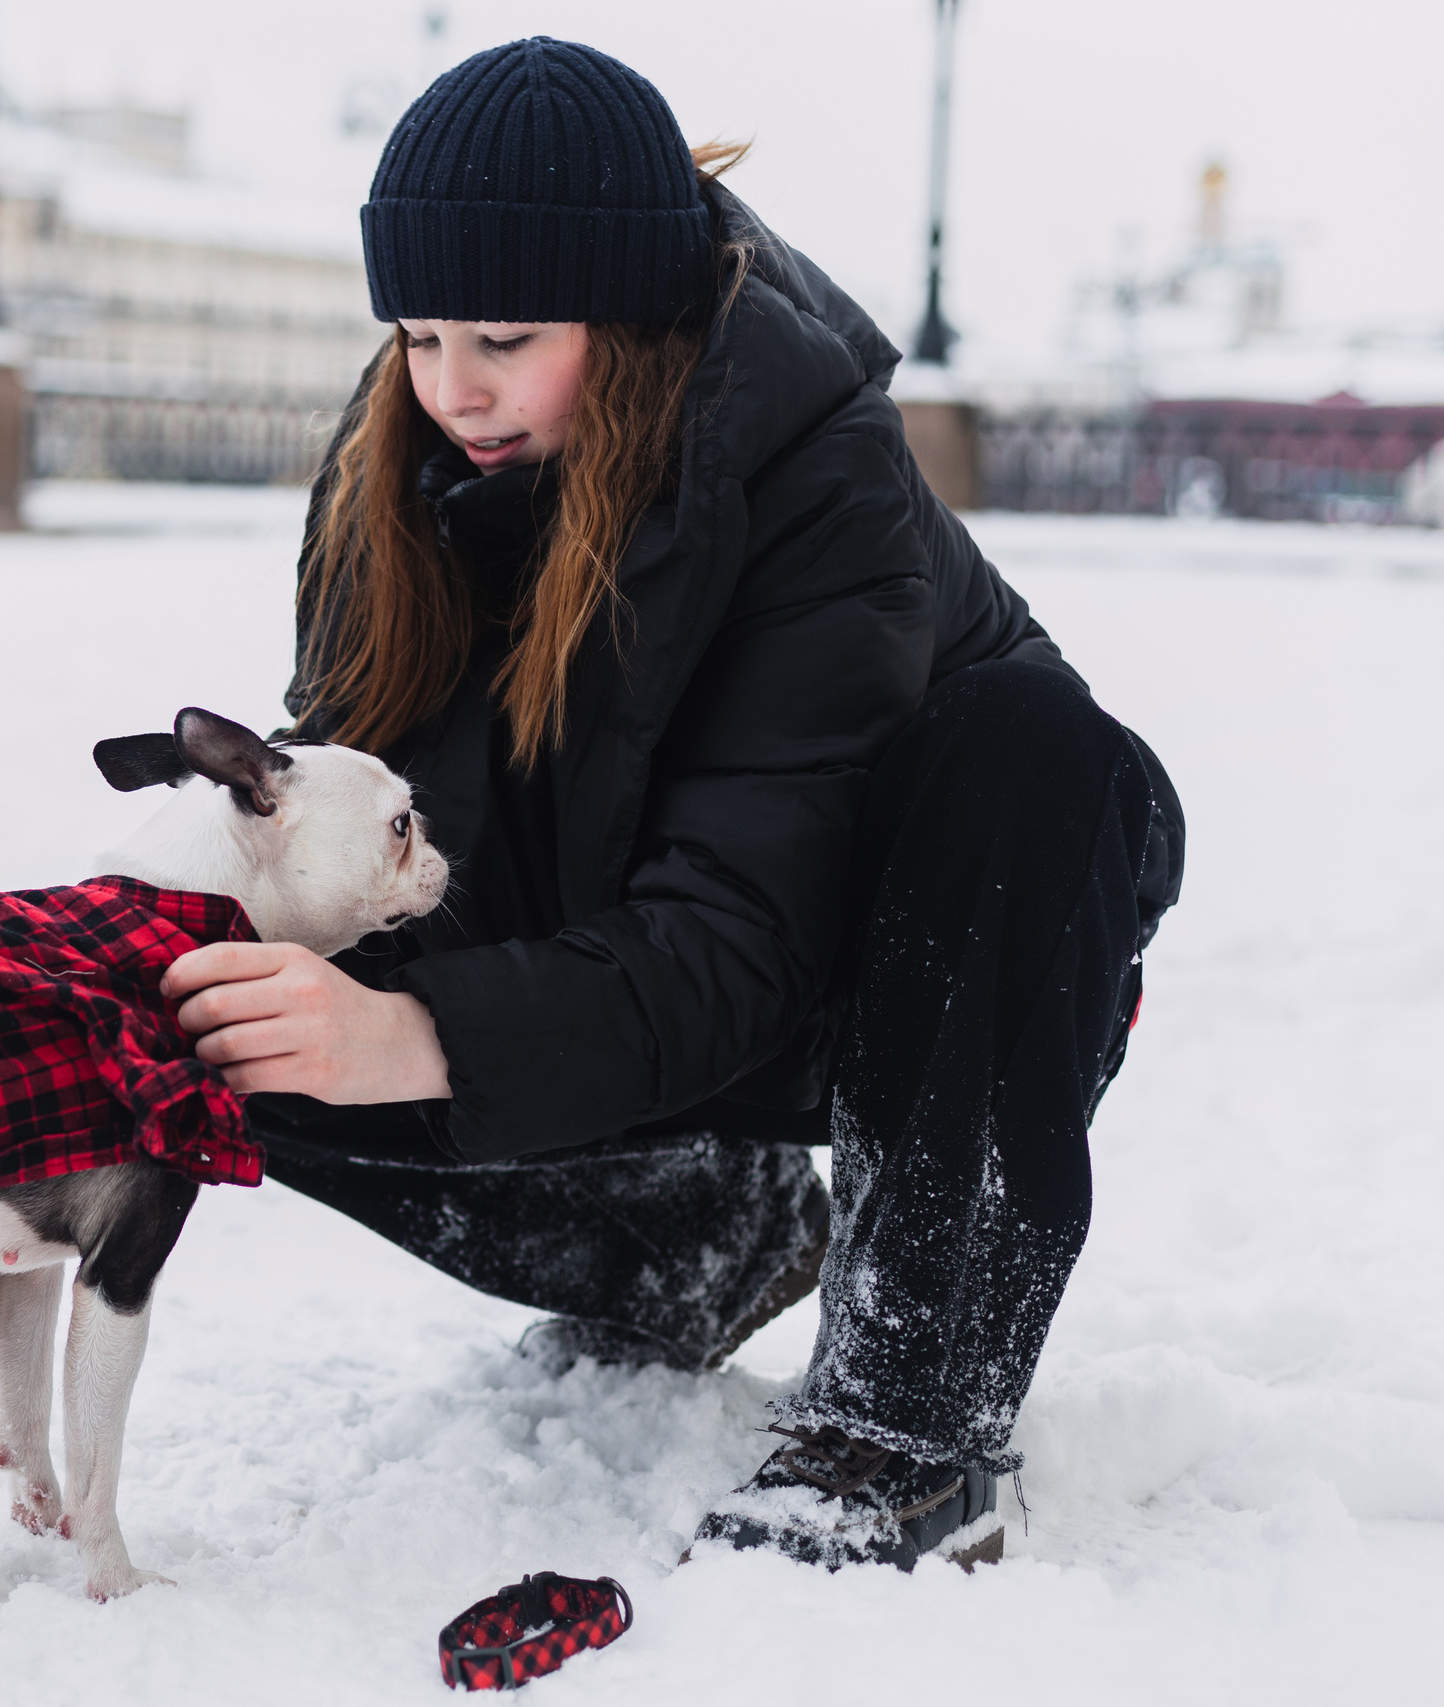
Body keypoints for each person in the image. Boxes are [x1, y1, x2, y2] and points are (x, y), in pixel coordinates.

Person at [159, 37, 1184, 1571]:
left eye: (506, 336)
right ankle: (695, 1240)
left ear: (632, 315)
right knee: (208, 1008)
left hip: (911, 976)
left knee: (1033, 744)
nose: (452, 387)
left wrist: (415, 1037)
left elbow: (748, 930)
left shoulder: (818, 473)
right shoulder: (400, 468)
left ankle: (906, 1422)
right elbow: (371, 836)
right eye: (419, 335)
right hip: (627, 945)